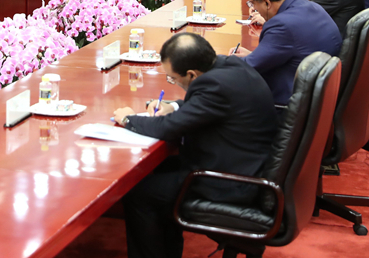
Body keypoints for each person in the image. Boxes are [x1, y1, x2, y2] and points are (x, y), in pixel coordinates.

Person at [113, 33, 278, 258]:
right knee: (158, 171)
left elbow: (168, 128)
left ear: (191, 74)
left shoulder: (214, 85)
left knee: (140, 194)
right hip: (248, 163)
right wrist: (174, 106)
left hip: (231, 181)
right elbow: (209, 106)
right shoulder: (229, 66)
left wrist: (128, 118)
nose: (173, 82)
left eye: (173, 78)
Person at [237, 0, 341, 105]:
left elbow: (248, 67)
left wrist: (216, 60)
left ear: (267, 3)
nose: (254, 9)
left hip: (287, 106)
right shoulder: (313, 7)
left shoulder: (281, 26)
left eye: (253, 3)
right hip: (320, 101)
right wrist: (253, 56)